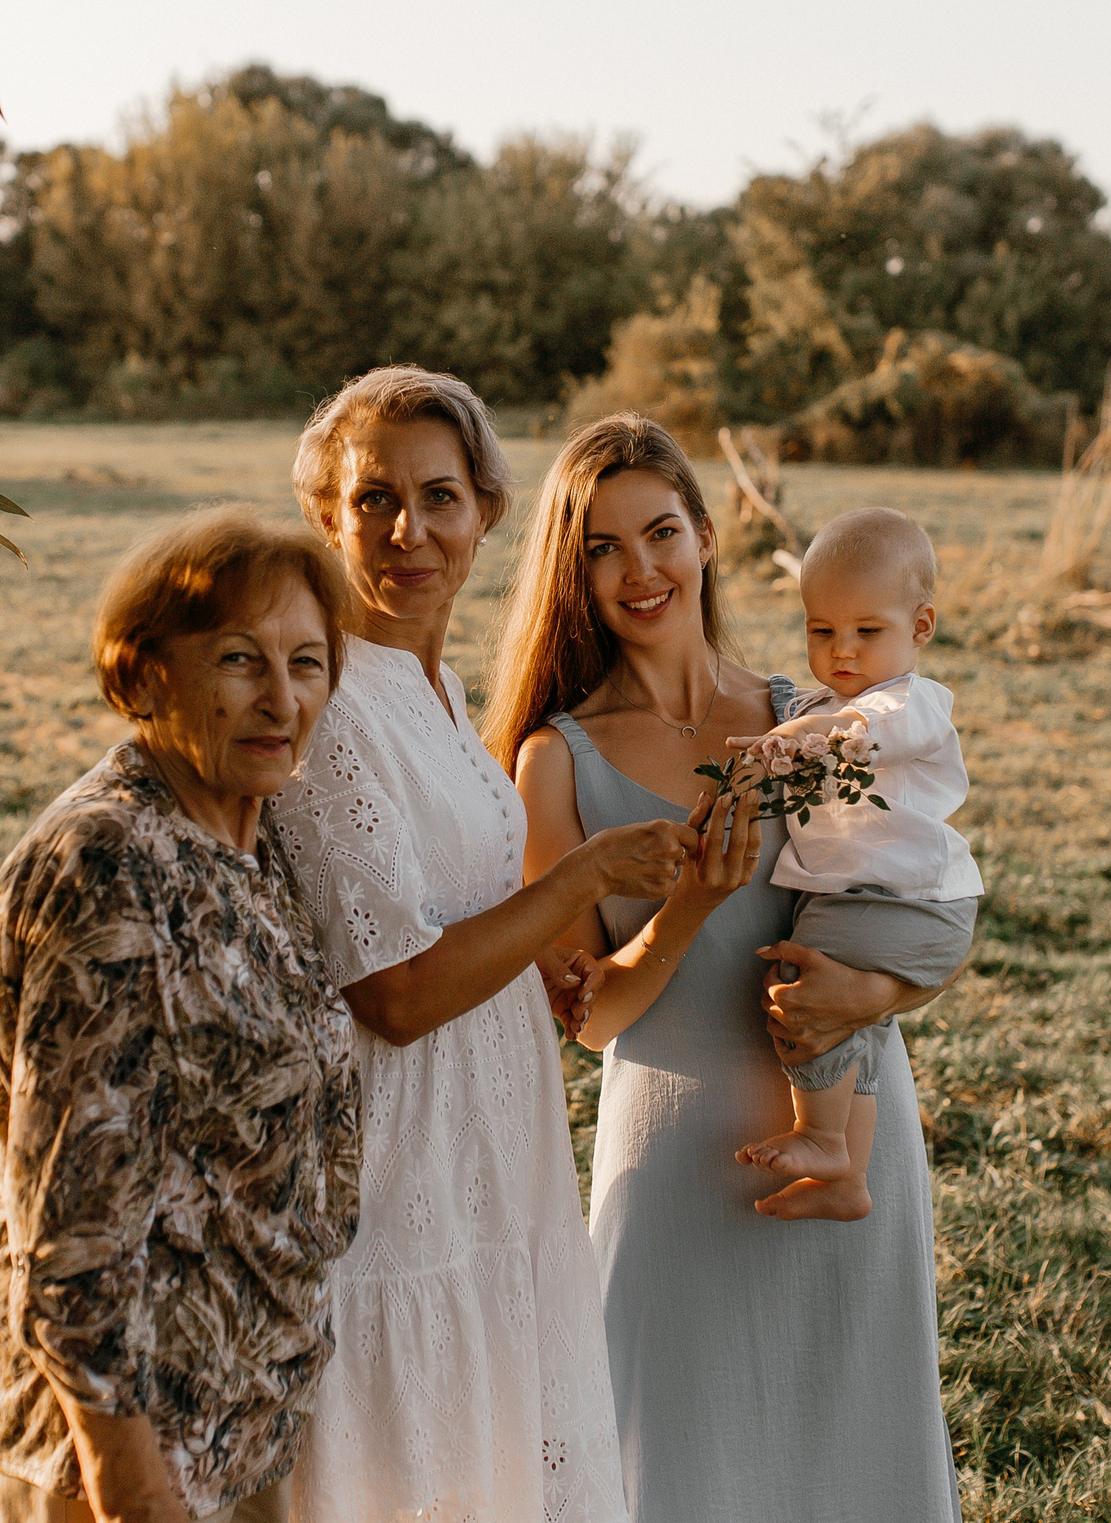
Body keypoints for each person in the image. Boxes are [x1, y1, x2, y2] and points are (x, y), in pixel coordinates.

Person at [268, 367, 748, 1523]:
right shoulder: (323, 705)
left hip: (491, 1163)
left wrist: (568, 960)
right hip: (394, 1183)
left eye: (439, 496)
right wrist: (580, 881)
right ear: (323, 518)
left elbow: (478, 936)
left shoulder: (433, 687)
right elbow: (390, 990)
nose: (407, 531)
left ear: (484, 508)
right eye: (370, 499)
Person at [493, 417, 967, 1523]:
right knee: (675, 1476)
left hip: (854, 1140)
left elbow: (920, 894)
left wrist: (887, 993)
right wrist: (689, 903)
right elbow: (591, 1017)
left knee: (859, 1464)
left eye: (660, 531)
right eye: (603, 547)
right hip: (675, 1166)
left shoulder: (819, 716)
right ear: (575, 572)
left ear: (705, 538)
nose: (640, 568)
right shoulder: (554, 759)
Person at [0, 507, 364, 1523]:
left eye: (306, 663)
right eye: (238, 660)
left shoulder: (244, 838)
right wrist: (126, 1480)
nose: (281, 697)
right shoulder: (109, 863)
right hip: (116, 1453)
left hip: (238, 1415)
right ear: (143, 676)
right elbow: (73, 1216)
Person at [730, 506, 986, 1220]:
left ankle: (821, 1134)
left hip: (911, 903)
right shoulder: (821, 703)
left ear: (920, 627)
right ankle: (846, 1174)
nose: (842, 650)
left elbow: (865, 734)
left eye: (867, 632)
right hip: (872, 902)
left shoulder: (910, 702)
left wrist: (803, 734)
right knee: (850, 1024)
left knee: (800, 987)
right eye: (821, 630)